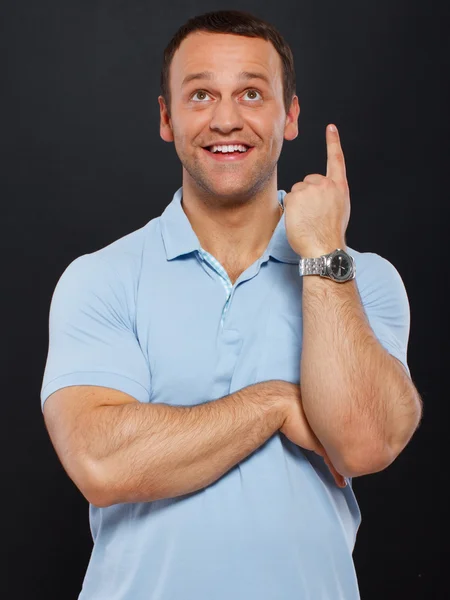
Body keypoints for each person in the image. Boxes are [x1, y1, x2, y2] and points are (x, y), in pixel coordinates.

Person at [40, 9, 422, 600]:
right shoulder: (100, 279)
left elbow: (366, 443)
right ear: (167, 118)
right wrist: (274, 403)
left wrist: (322, 250)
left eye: (250, 93)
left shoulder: (361, 279)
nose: (225, 119)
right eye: (200, 95)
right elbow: (103, 463)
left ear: (289, 115)